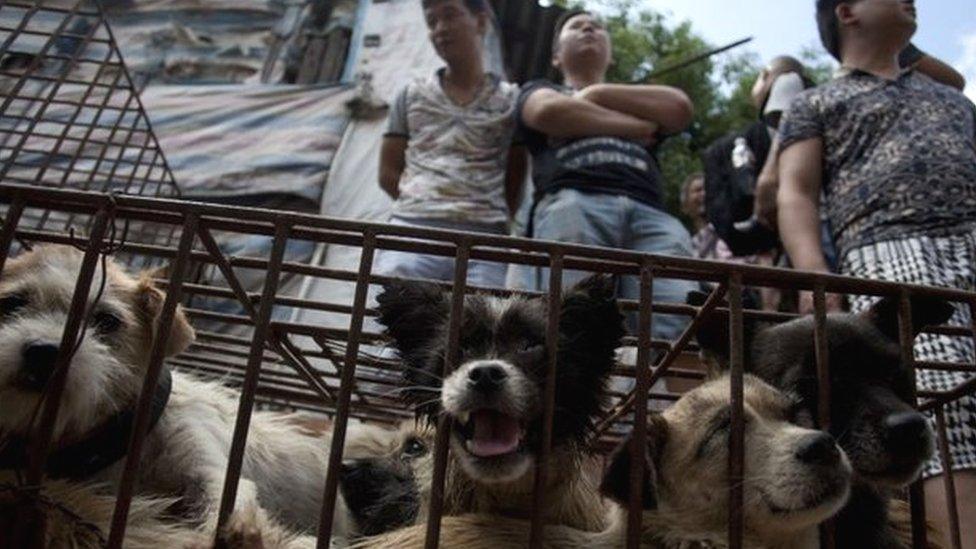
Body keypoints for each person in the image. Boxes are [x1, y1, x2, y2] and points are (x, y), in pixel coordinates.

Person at [777, 1, 976, 545]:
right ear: (846, 11)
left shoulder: (950, 96)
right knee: (943, 410)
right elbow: (796, 192)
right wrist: (819, 282)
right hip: (890, 254)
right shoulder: (816, 100)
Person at [516, 9, 696, 341]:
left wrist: (596, 95)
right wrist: (640, 127)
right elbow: (547, 111)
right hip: (572, 202)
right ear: (556, 56)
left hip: (653, 216)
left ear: (610, 54)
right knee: (573, 318)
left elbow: (680, 108)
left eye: (597, 26)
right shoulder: (539, 89)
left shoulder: (629, 97)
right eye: (576, 26)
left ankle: (670, 396)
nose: (588, 27)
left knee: (677, 327)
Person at [376, 0, 526, 288]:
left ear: (480, 22)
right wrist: (424, 202)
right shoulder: (411, 94)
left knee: (478, 328)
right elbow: (387, 173)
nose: (440, 29)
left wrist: (484, 212)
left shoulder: (511, 100)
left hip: (486, 240)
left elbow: (516, 176)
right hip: (412, 231)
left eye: (450, 15)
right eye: (432, 22)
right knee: (397, 326)